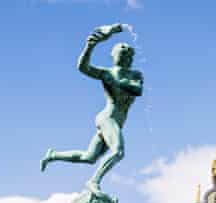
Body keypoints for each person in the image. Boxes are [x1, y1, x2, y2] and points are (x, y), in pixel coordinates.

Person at [41, 24, 143, 193]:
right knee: (117, 152)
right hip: (108, 118)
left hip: (115, 121)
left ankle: (53, 155)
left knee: (89, 157)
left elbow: (137, 89)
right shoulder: (107, 73)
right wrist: (90, 46)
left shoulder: (134, 75)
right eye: (120, 53)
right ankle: (94, 181)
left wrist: (115, 80)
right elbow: (83, 67)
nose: (123, 56)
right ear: (114, 56)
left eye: (126, 54)